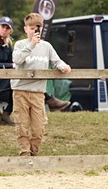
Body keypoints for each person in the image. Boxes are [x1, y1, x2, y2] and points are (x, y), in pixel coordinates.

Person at [11, 12, 72, 156]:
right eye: (31, 28)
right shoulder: (20, 44)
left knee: (39, 127)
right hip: (21, 91)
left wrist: (63, 66)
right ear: (26, 29)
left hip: (39, 92)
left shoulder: (47, 46)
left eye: (37, 28)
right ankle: (24, 152)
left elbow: (56, 61)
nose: (34, 31)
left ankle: (34, 152)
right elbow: (18, 60)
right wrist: (31, 45)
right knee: (22, 124)